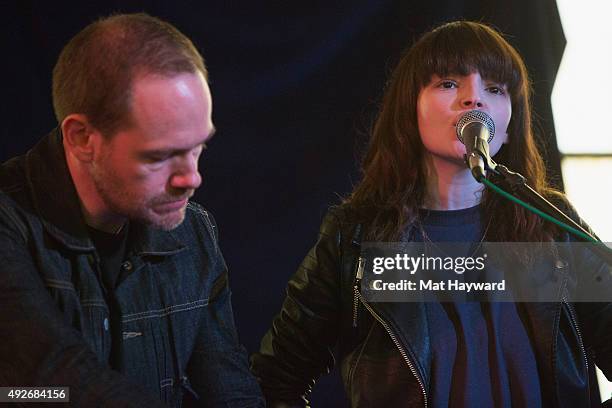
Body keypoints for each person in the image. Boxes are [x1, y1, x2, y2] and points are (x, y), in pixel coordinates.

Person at [251, 21, 611, 407]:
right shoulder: (354, 237)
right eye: (449, 83)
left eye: (494, 88)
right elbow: (276, 378)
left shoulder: (550, 226)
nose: (474, 100)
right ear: (410, 111)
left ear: (508, 127)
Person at [0, 13, 264, 407]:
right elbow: (50, 382)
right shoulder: (10, 222)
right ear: (82, 138)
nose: (191, 178)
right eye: (161, 156)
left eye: (198, 148)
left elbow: (229, 390)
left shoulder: (192, 231)